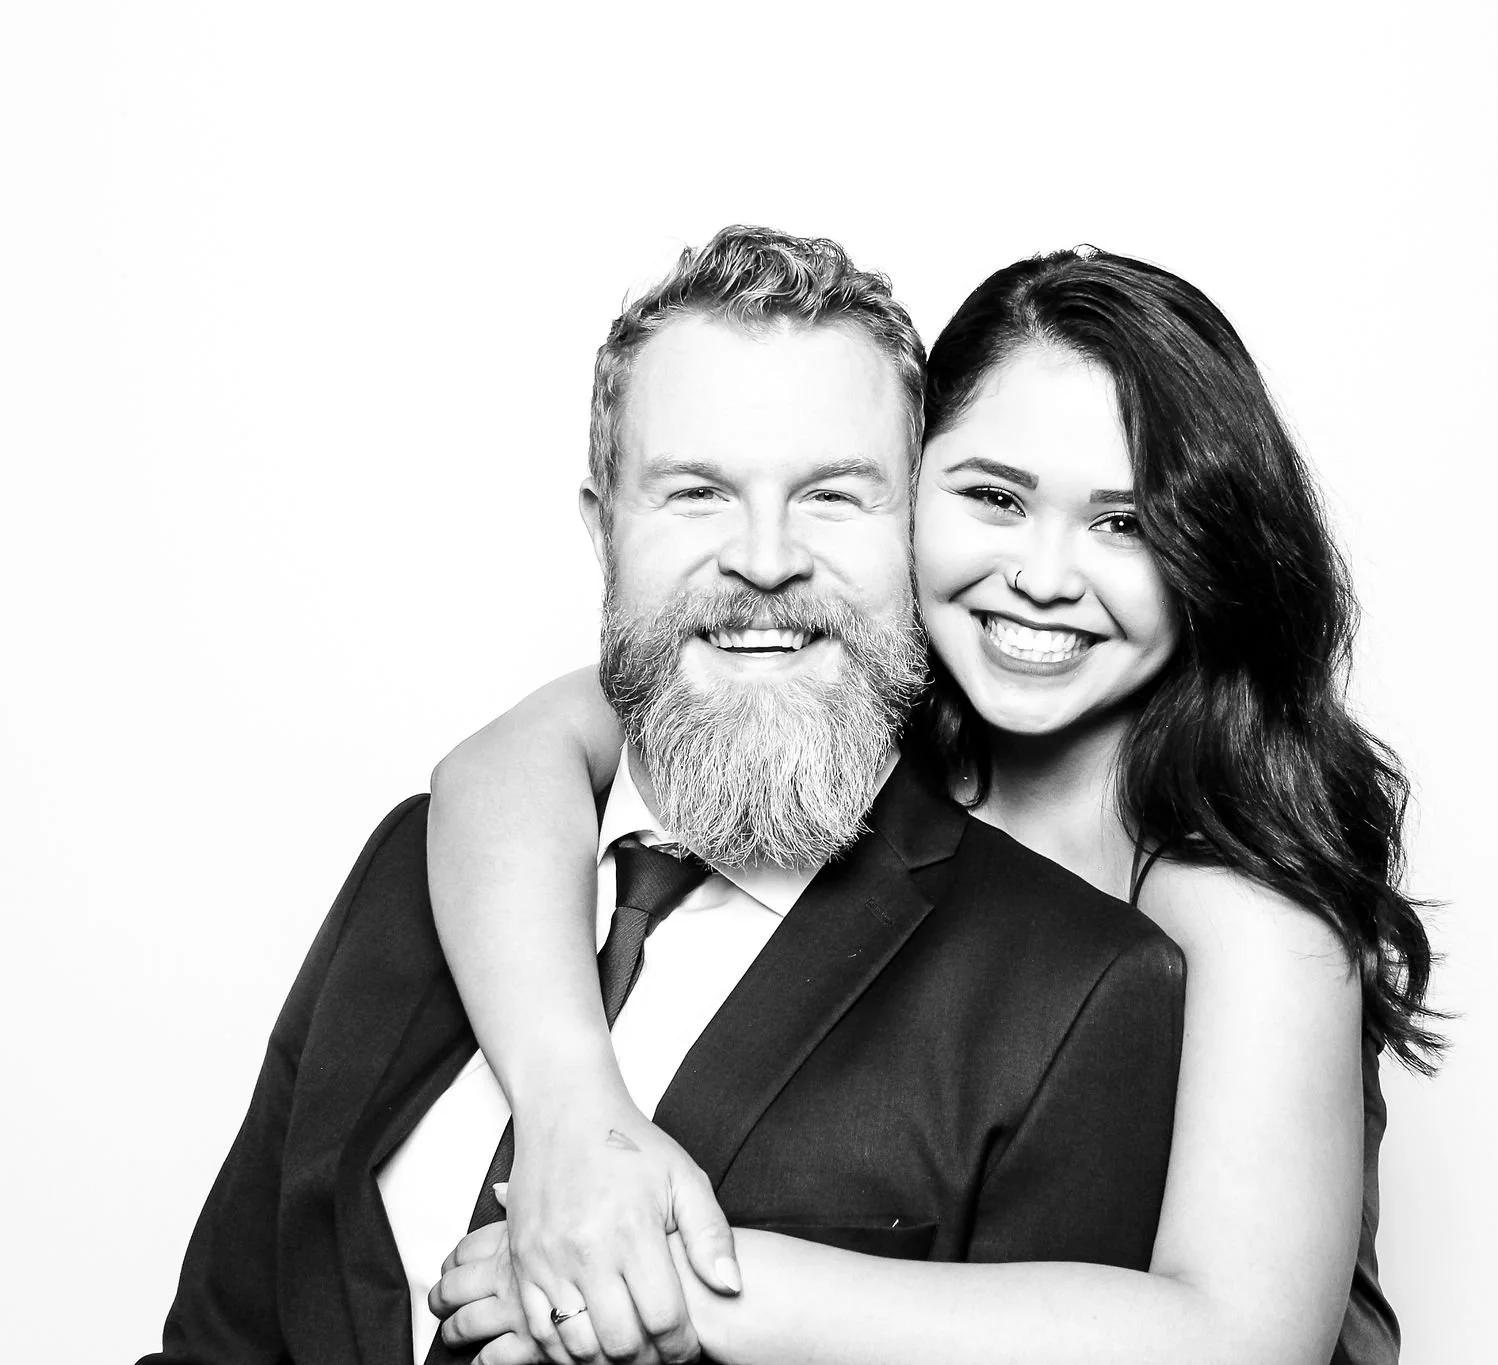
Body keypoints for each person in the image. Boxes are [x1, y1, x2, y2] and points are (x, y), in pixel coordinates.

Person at [138, 228, 1189, 1365]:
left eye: (834, 498)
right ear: (603, 533)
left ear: (913, 538)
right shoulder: (424, 859)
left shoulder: (1079, 992)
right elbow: (221, 1338)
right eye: (695, 493)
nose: (765, 560)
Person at [423, 244, 1440, 1365]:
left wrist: (675, 1282)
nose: (1044, 576)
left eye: (1123, 523)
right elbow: (497, 769)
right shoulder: (863, 720)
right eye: (994, 497)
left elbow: (1238, 1341)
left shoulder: (1239, 902)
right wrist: (575, 1112)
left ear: (1211, 556)